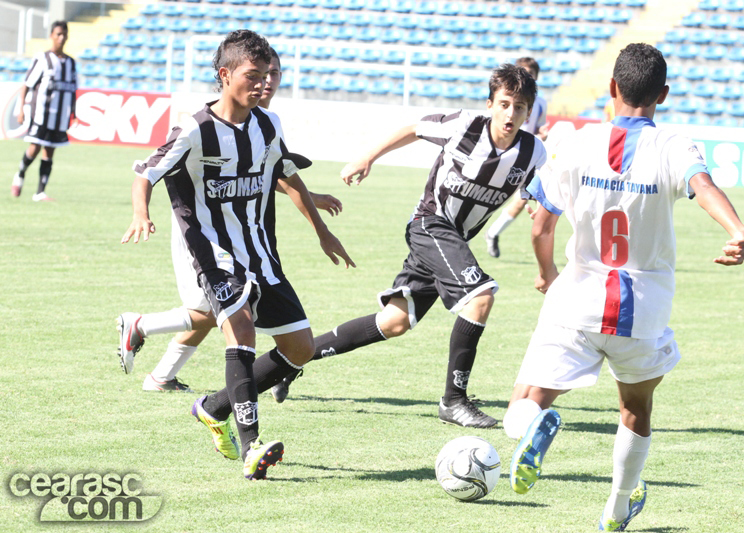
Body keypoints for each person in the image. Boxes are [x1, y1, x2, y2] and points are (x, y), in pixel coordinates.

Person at [502, 44, 744, 530]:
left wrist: (547, 274)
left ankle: (534, 425)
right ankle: (616, 508)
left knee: (524, 399)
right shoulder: (675, 147)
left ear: (611, 90)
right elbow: (704, 188)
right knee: (636, 408)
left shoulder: (574, 144)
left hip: (577, 301)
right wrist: (736, 230)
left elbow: (539, 226)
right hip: (644, 311)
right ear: (663, 94)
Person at [121, 30, 355, 480]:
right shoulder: (194, 129)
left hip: (261, 252)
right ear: (225, 75)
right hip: (213, 253)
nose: (262, 83)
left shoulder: (269, 124)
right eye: (253, 75)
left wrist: (322, 232)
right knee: (240, 326)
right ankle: (252, 447)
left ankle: (213, 407)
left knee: (300, 348)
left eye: (268, 75)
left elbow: (285, 173)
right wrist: (140, 213)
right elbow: (146, 173)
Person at [272, 64, 548, 428]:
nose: (511, 114)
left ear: (530, 111)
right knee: (481, 297)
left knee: (395, 321)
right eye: (505, 104)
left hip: (453, 240)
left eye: (520, 107)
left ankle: (293, 362)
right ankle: (454, 400)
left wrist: (538, 208)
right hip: (430, 224)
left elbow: (540, 193)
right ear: (490, 103)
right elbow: (413, 129)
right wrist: (367, 157)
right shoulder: (464, 125)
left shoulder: (533, 152)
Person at [484, 57, 548, 259]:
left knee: (523, 200)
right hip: (502, 153)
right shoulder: (503, 100)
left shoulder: (540, 104)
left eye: (531, 75)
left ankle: (492, 233)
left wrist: (542, 134)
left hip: (524, 158)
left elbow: (538, 128)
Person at [11, 20, 77, 201]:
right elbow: (27, 85)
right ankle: (20, 174)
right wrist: (21, 108)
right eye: (58, 34)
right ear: (51, 36)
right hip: (41, 114)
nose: (61, 38)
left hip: (60, 117)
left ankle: (40, 192)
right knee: (34, 148)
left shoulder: (71, 63)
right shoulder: (43, 59)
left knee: (50, 151)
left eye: (64, 34)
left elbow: (72, 90)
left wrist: (74, 114)